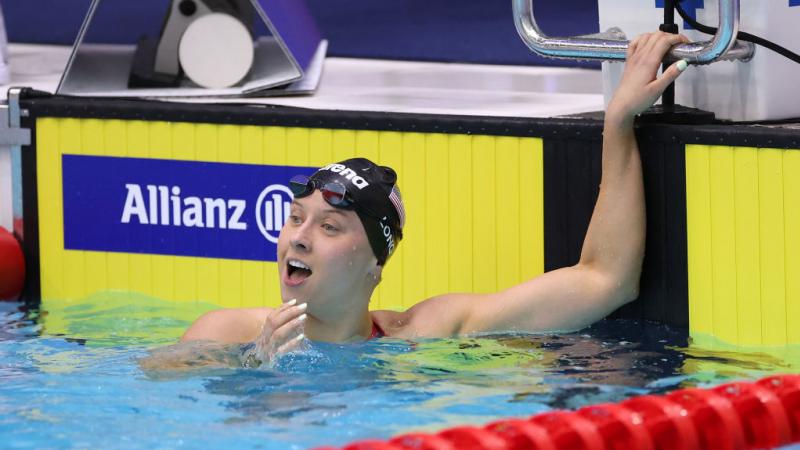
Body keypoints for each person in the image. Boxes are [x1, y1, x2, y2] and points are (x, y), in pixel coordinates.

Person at [181, 32, 691, 364]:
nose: (300, 238)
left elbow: (606, 279)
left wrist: (618, 122)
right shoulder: (224, 336)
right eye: (297, 218)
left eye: (330, 226)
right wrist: (251, 371)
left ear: (375, 267)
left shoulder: (431, 331)